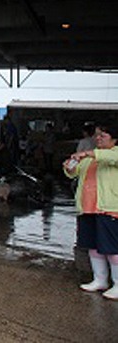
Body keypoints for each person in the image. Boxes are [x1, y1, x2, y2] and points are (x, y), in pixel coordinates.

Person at [64, 123, 118, 300]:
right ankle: (100, 279)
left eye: (103, 136)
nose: (98, 138)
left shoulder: (112, 154)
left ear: (115, 139)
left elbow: (111, 158)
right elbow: (74, 173)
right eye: (97, 135)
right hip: (88, 208)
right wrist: (69, 167)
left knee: (112, 248)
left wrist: (87, 153)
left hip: (108, 209)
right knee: (93, 246)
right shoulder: (91, 157)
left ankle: (117, 284)